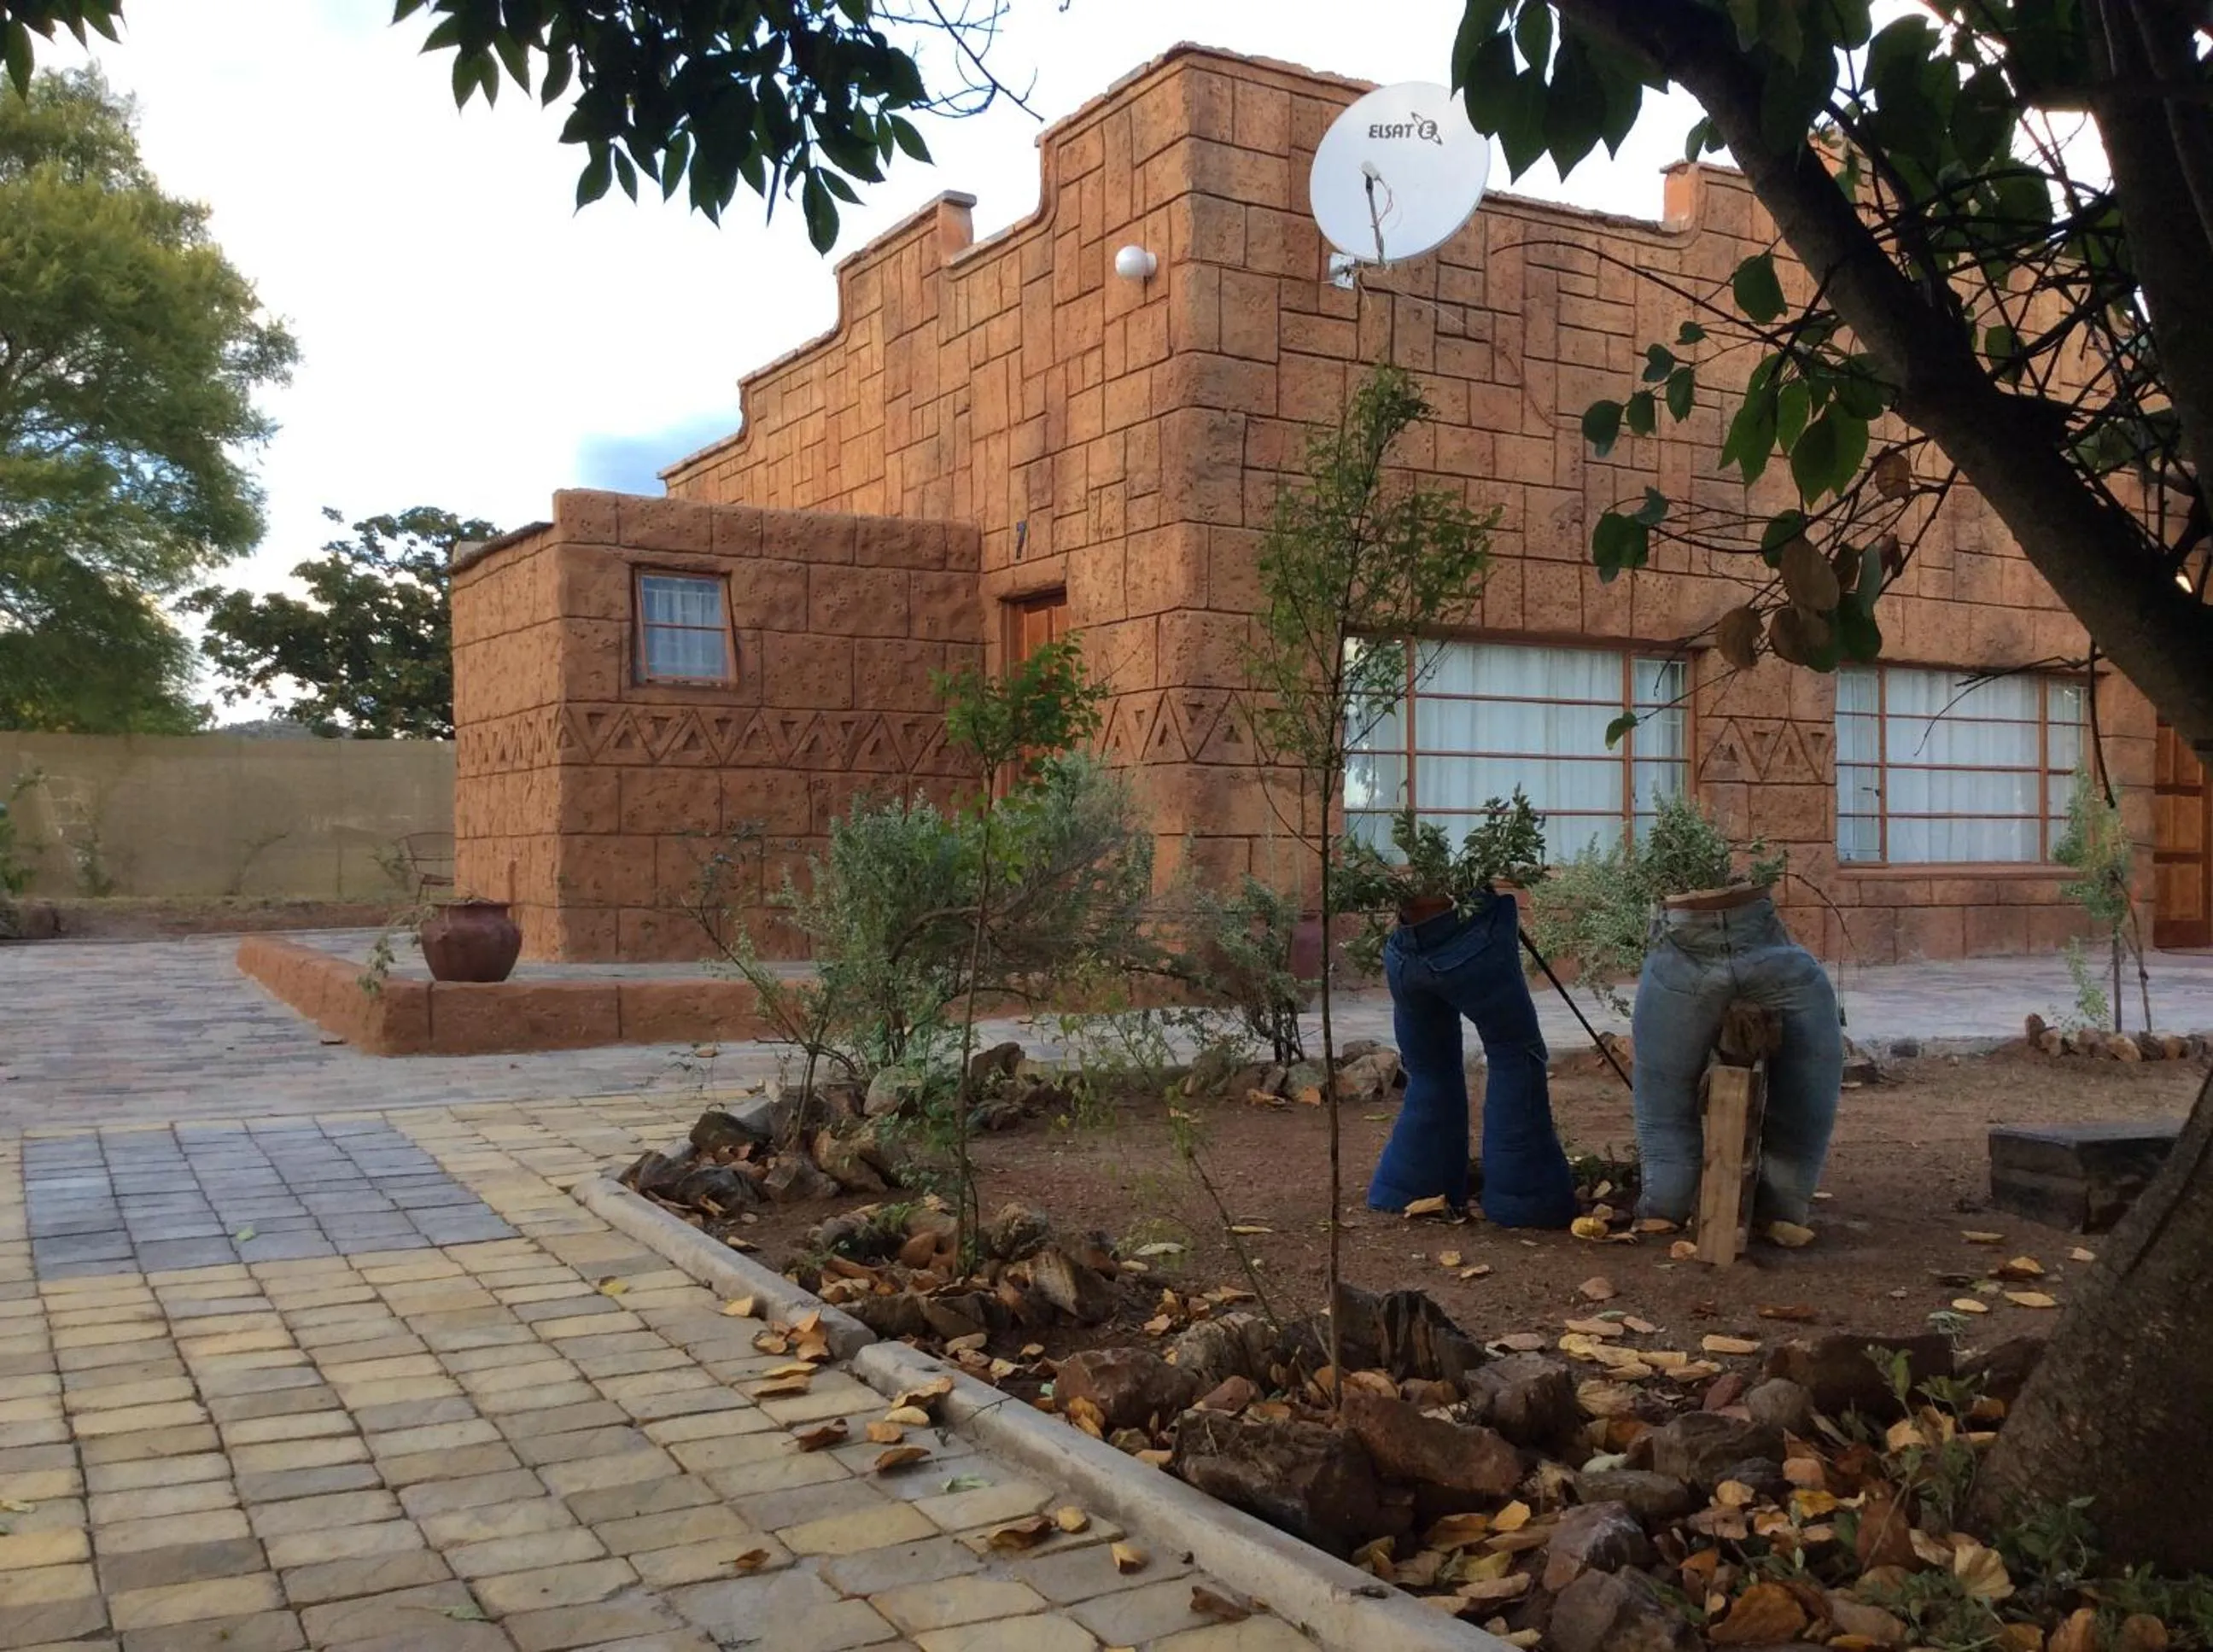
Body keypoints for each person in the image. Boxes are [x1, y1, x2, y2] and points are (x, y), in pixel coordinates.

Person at [1629, 884, 1841, 1229]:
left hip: (1679, 959)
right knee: (1805, 1105)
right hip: (1770, 957)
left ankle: (1663, 1210)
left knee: (1663, 1105)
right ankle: (1782, 1211)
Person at [1368, 888, 1579, 1227]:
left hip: (1405, 949)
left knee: (1429, 1071)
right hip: (1468, 944)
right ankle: (1526, 1201)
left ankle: (1407, 1188)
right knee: (1514, 1054)